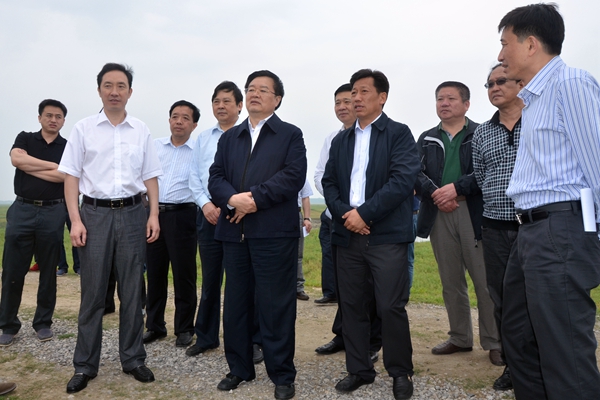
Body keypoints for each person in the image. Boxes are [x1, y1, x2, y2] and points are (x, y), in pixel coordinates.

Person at [497, 4, 600, 398]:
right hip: (531, 232)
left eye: (505, 43)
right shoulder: (534, 98)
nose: (501, 55)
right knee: (518, 335)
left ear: (531, 44)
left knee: (564, 350)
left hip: (561, 229)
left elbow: (596, 161)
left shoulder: (570, 84)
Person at [59, 63, 162, 394]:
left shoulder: (140, 130)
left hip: (133, 213)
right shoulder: (83, 129)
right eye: (108, 85)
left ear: (130, 91)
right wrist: (75, 220)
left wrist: (153, 215)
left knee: (132, 291)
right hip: (94, 215)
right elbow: (71, 177)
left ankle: (133, 359)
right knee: (93, 294)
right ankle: (85, 365)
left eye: (121, 86)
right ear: (99, 90)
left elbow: (150, 176)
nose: (114, 91)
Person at [208, 70, 306, 400]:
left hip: (274, 233)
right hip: (234, 233)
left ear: (277, 99)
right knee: (236, 304)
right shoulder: (230, 137)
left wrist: (254, 200)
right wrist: (232, 199)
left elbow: (293, 176)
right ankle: (239, 368)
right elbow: (216, 176)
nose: (254, 94)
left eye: (263, 90)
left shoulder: (289, 134)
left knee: (275, 305)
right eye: (251, 88)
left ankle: (282, 374)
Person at [322, 69, 419, 400]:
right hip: (347, 235)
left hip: (386, 236)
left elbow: (402, 181)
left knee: (390, 306)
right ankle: (359, 370)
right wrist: (347, 215)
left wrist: (364, 214)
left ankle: (400, 372)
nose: (356, 97)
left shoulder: (399, 134)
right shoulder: (342, 139)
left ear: (382, 97)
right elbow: (329, 183)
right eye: (353, 92)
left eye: (364, 91)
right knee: (352, 306)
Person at [416, 81, 501, 364]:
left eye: (451, 98)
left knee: (484, 281)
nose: (444, 103)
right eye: (440, 98)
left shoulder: (481, 133)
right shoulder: (427, 138)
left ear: (466, 104)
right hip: (439, 213)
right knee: (450, 281)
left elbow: (486, 171)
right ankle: (460, 337)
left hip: (473, 212)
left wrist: (456, 189)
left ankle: (494, 341)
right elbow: (415, 173)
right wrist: (437, 195)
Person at [313, 83, 382, 363]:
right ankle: (343, 335)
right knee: (344, 285)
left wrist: (360, 213)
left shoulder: (377, 136)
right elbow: (320, 176)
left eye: (348, 100)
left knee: (371, 287)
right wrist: (343, 211)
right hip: (338, 220)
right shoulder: (333, 138)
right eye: (338, 102)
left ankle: (372, 342)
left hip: (370, 222)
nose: (343, 106)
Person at [472, 63, 523, 391]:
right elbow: (480, 177)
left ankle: (543, 364)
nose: (494, 88)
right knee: (502, 299)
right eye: (489, 84)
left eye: (501, 81)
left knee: (536, 299)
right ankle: (513, 367)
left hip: (532, 226)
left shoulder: (538, 121)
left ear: (521, 83)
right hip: (493, 228)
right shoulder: (482, 133)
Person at [0, 99, 68, 347]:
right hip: (22, 209)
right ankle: (8, 325)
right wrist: (52, 166)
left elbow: (65, 175)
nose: (53, 120)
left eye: (58, 116)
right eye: (49, 115)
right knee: (12, 270)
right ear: (40, 117)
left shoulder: (67, 146)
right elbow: (17, 160)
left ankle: (42, 323)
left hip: (53, 211)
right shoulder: (25, 138)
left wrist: (31, 165)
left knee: (48, 270)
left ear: (63, 121)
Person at [187, 81, 243, 357]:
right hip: (208, 215)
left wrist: (231, 204)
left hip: (239, 216)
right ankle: (206, 337)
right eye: (216, 101)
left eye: (227, 101)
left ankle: (245, 341)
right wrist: (206, 204)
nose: (221, 106)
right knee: (210, 279)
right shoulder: (203, 138)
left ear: (239, 106)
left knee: (240, 282)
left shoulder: (249, 134)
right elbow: (194, 176)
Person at [143, 100, 199, 347]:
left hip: (183, 215)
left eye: (185, 118)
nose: (179, 121)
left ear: (194, 125)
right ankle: (155, 326)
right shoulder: (155, 147)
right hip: (154, 215)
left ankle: (184, 328)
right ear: (169, 120)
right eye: (175, 116)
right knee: (155, 273)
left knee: (183, 274)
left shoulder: (198, 151)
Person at [296, 180, 313, 301]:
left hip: (295, 213)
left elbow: (305, 197)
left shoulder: (300, 176)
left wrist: (306, 218)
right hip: (275, 214)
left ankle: (298, 288)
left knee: (298, 254)